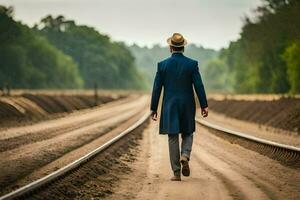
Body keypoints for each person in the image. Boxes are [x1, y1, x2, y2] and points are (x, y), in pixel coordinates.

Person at [150, 33, 208, 181]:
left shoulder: (162, 65)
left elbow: (157, 88)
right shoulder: (192, 64)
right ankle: (185, 155)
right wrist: (204, 105)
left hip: (170, 105)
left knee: (172, 136)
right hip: (187, 104)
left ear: (170, 48)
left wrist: (153, 108)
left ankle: (176, 173)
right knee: (188, 132)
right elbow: (199, 86)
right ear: (183, 47)